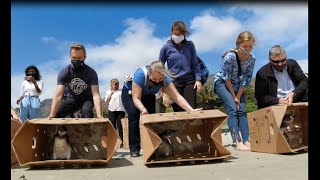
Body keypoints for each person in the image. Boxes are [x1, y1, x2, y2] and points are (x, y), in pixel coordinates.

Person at [121, 61, 198, 157]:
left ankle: (154, 147)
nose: (157, 82)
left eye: (160, 79)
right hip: (130, 94)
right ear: (149, 74)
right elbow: (136, 98)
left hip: (148, 95)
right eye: (154, 79)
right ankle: (134, 149)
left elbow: (177, 97)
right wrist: (142, 109)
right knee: (133, 115)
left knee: (151, 119)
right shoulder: (140, 75)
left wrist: (191, 110)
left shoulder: (166, 79)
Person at [213, 31, 256, 151]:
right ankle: (237, 142)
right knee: (232, 108)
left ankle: (246, 140)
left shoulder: (252, 59)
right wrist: (234, 96)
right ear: (238, 44)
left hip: (238, 86)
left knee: (241, 110)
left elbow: (246, 79)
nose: (247, 49)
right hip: (222, 83)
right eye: (244, 46)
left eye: (250, 46)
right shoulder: (230, 57)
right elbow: (226, 78)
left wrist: (238, 95)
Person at [49, 43, 102, 118]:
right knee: (57, 114)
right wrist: (52, 115)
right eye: (74, 57)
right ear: (70, 57)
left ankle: (87, 129)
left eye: (79, 58)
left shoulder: (91, 73)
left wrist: (99, 115)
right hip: (72, 98)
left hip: (86, 99)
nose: (76, 60)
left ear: (84, 57)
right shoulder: (64, 72)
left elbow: (95, 95)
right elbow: (58, 95)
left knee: (87, 111)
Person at [159, 20, 202, 112]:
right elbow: (160, 67)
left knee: (192, 109)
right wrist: (162, 86)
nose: (177, 36)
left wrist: (198, 79)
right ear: (172, 32)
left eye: (179, 34)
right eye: (175, 34)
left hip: (189, 81)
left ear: (184, 34)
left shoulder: (190, 45)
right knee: (179, 111)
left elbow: (195, 63)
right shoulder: (166, 47)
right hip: (174, 83)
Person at [105, 78, 126, 148]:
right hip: (112, 110)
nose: (117, 85)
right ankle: (113, 142)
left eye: (118, 84)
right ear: (112, 85)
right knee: (112, 127)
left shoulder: (121, 91)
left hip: (120, 110)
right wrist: (111, 93)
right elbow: (106, 100)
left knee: (120, 126)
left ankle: (121, 142)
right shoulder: (108, 92)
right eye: (115, 84)